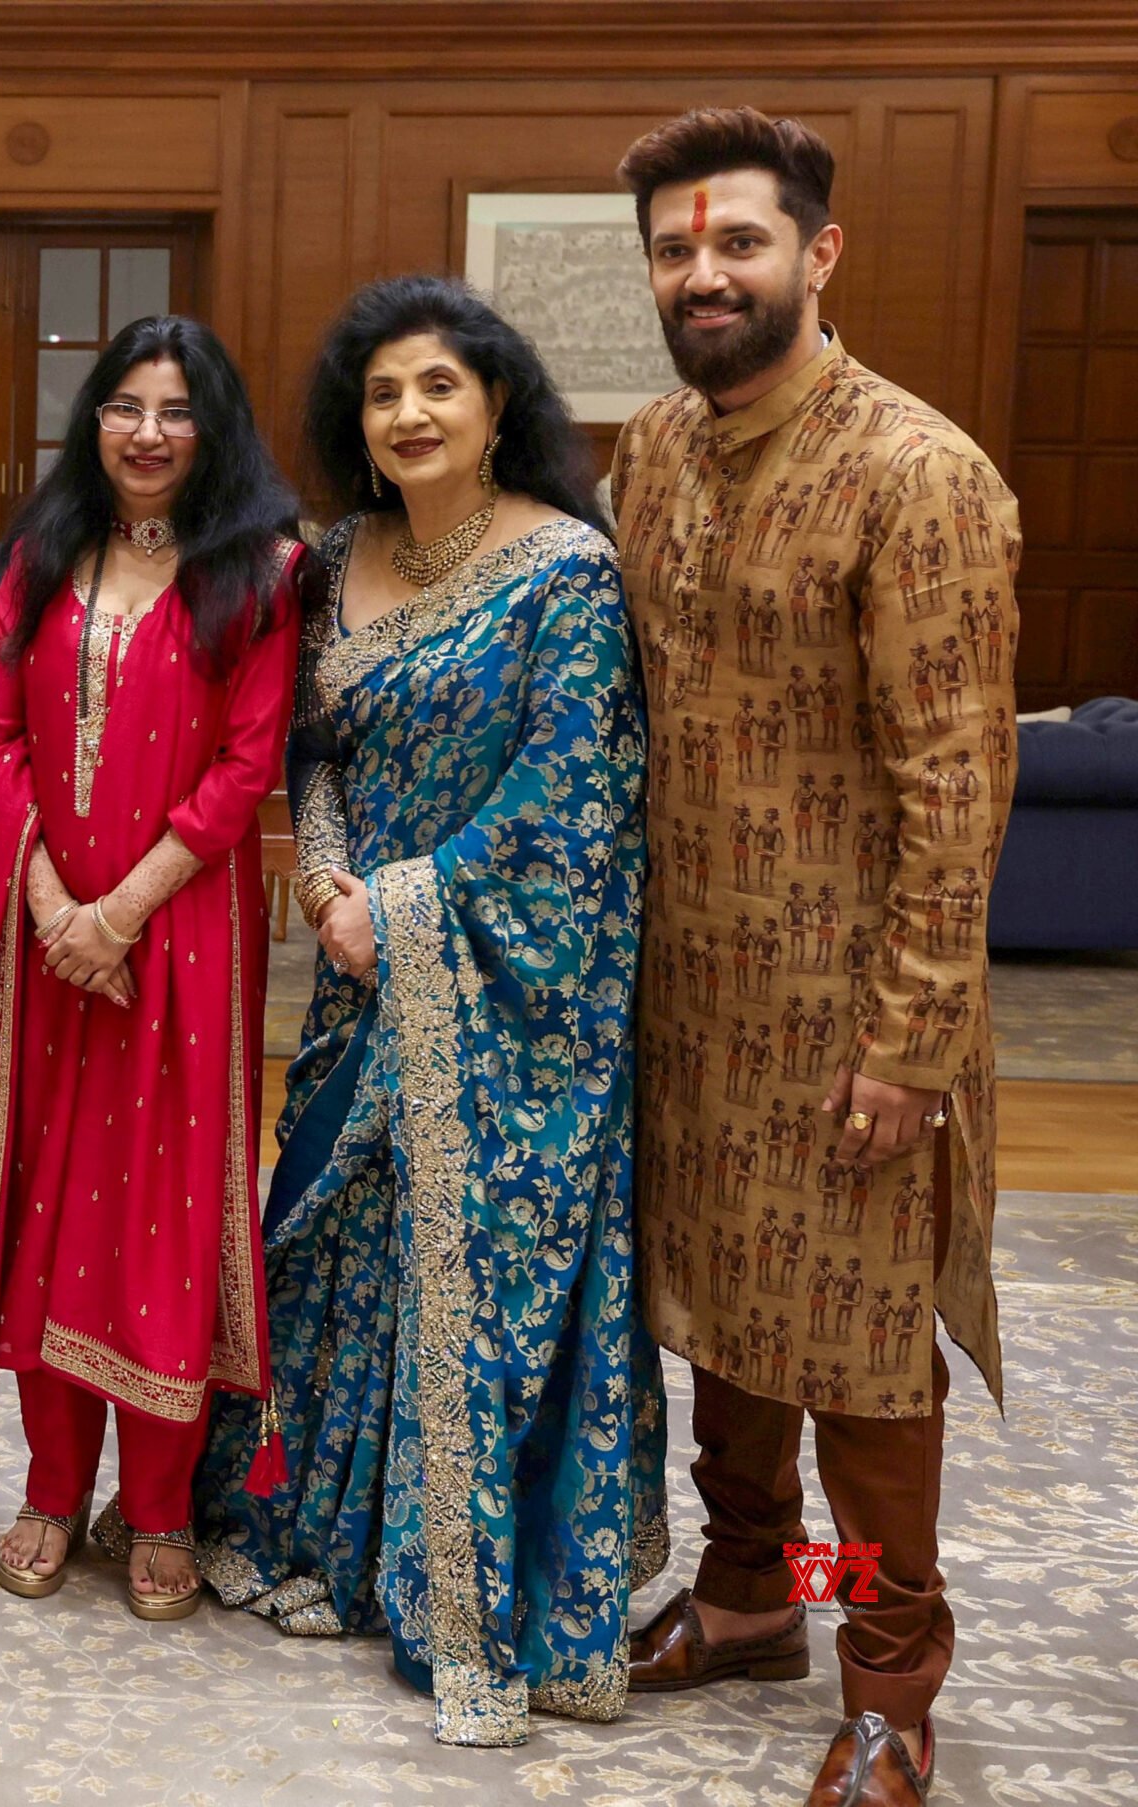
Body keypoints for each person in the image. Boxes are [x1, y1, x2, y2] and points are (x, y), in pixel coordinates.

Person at [192, 275, 667, 1747]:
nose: (408, 414)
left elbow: (571, 799)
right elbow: (312, 751)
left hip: (506, 999)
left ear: (499, 402)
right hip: (355, 977)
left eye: (438, 387)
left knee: (485, 1275)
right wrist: (332, 887)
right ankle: (335, 1539)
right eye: (384, 393)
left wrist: (399, 913)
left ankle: (468, 1593)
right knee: (330, 1244)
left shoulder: (564, 573)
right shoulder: (333, 561)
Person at [612, 107, 1018, 1807]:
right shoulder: (651, 450)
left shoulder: (916, 474)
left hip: (856, 1024)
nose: (705, 274)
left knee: (856, 1354)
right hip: (688, 999)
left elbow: (958, 782)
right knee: (721, 1325)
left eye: (740, 244)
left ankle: (888, 1678)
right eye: (676, 251)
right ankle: (749, 1597)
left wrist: (911, 1045)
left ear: (819, 255)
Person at [0, 316, 302, 1619]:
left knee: (167, 1211)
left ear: (214, 426)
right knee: (49, 1199)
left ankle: (163, 1504)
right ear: (95, 421)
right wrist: (53, 902)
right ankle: (53, 1487)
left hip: (175, 933)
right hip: (44, 937)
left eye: (175, 410)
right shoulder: (43, 559)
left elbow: (247, 770)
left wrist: (119, 911)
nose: (145, 432)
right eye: (125, 405)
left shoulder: (263, 573)